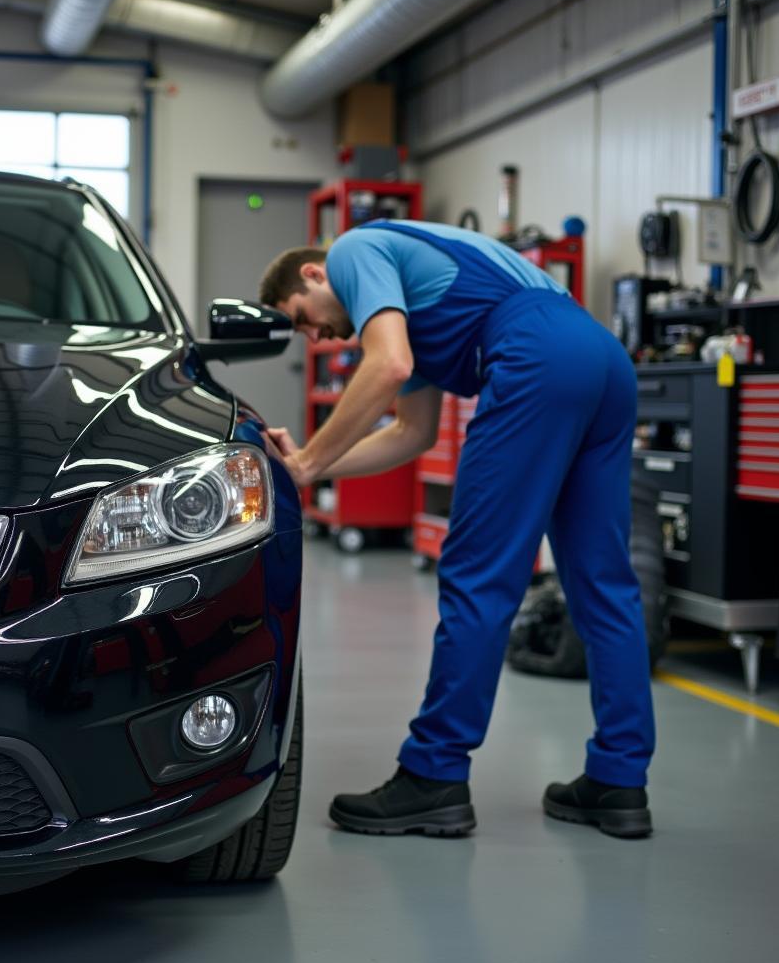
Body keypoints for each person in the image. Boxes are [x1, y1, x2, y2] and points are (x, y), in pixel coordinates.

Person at [258, 220, 655, 840]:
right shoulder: (409, 308)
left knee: (478, 576)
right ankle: (619, 780)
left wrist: (307, 460)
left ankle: (434, 775)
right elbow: (411, 434)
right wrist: (305, 468)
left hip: (537, 357)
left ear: (314, 274)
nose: (314, 337)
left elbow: (388, 364)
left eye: (302, 317)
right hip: (601, 358)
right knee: (605, 582)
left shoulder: (354, 251)